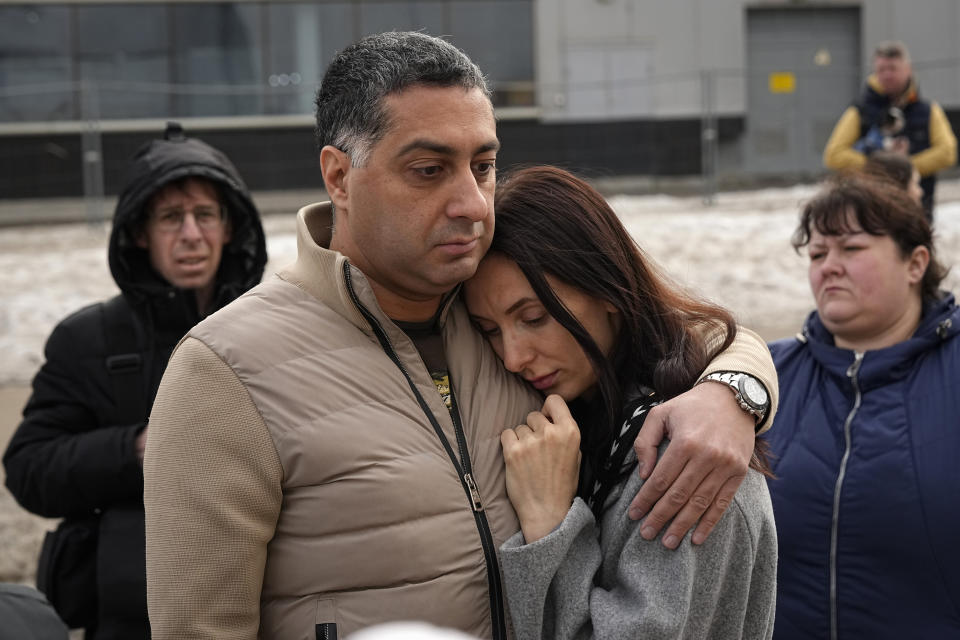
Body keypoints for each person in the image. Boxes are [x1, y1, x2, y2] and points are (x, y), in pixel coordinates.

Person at [143, 31, 779, 640]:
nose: (473, 203)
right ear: (339, 177)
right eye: (428, 170)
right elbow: (198, 628)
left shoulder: (490, 304)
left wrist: (733, 391)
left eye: (484, 166)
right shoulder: (225, 368)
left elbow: (668, 325)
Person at [462, 166, 777, 639]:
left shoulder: (685, 456)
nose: (512, 356)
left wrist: (550, 529)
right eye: (489, 330)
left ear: (606, 289)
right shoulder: (589, 413)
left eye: (533, 317)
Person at [2, 122, 267, 639]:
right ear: (140, 233)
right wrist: (138, 449)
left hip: (253, 600)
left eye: (205, 215)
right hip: (127, 614)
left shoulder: (271, 326)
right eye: (171, 217)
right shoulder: (88, 340)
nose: (191, 233)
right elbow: (29, 469)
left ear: (230, 227)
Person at [766, 173, 959, 638]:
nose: (828, 266)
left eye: (851, 249)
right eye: (817, 254)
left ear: (915, 263)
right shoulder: (766, 375)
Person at [822, 40, 957, 219]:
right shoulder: (859, 111)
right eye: (881, 70)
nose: (887, 75)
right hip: (871, 212)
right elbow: (834, 155)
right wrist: (880, 168)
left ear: (908, 69)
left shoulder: (929, 111)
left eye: (893, 68)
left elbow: (947, 152)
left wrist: (906, 168)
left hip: (917, 211)